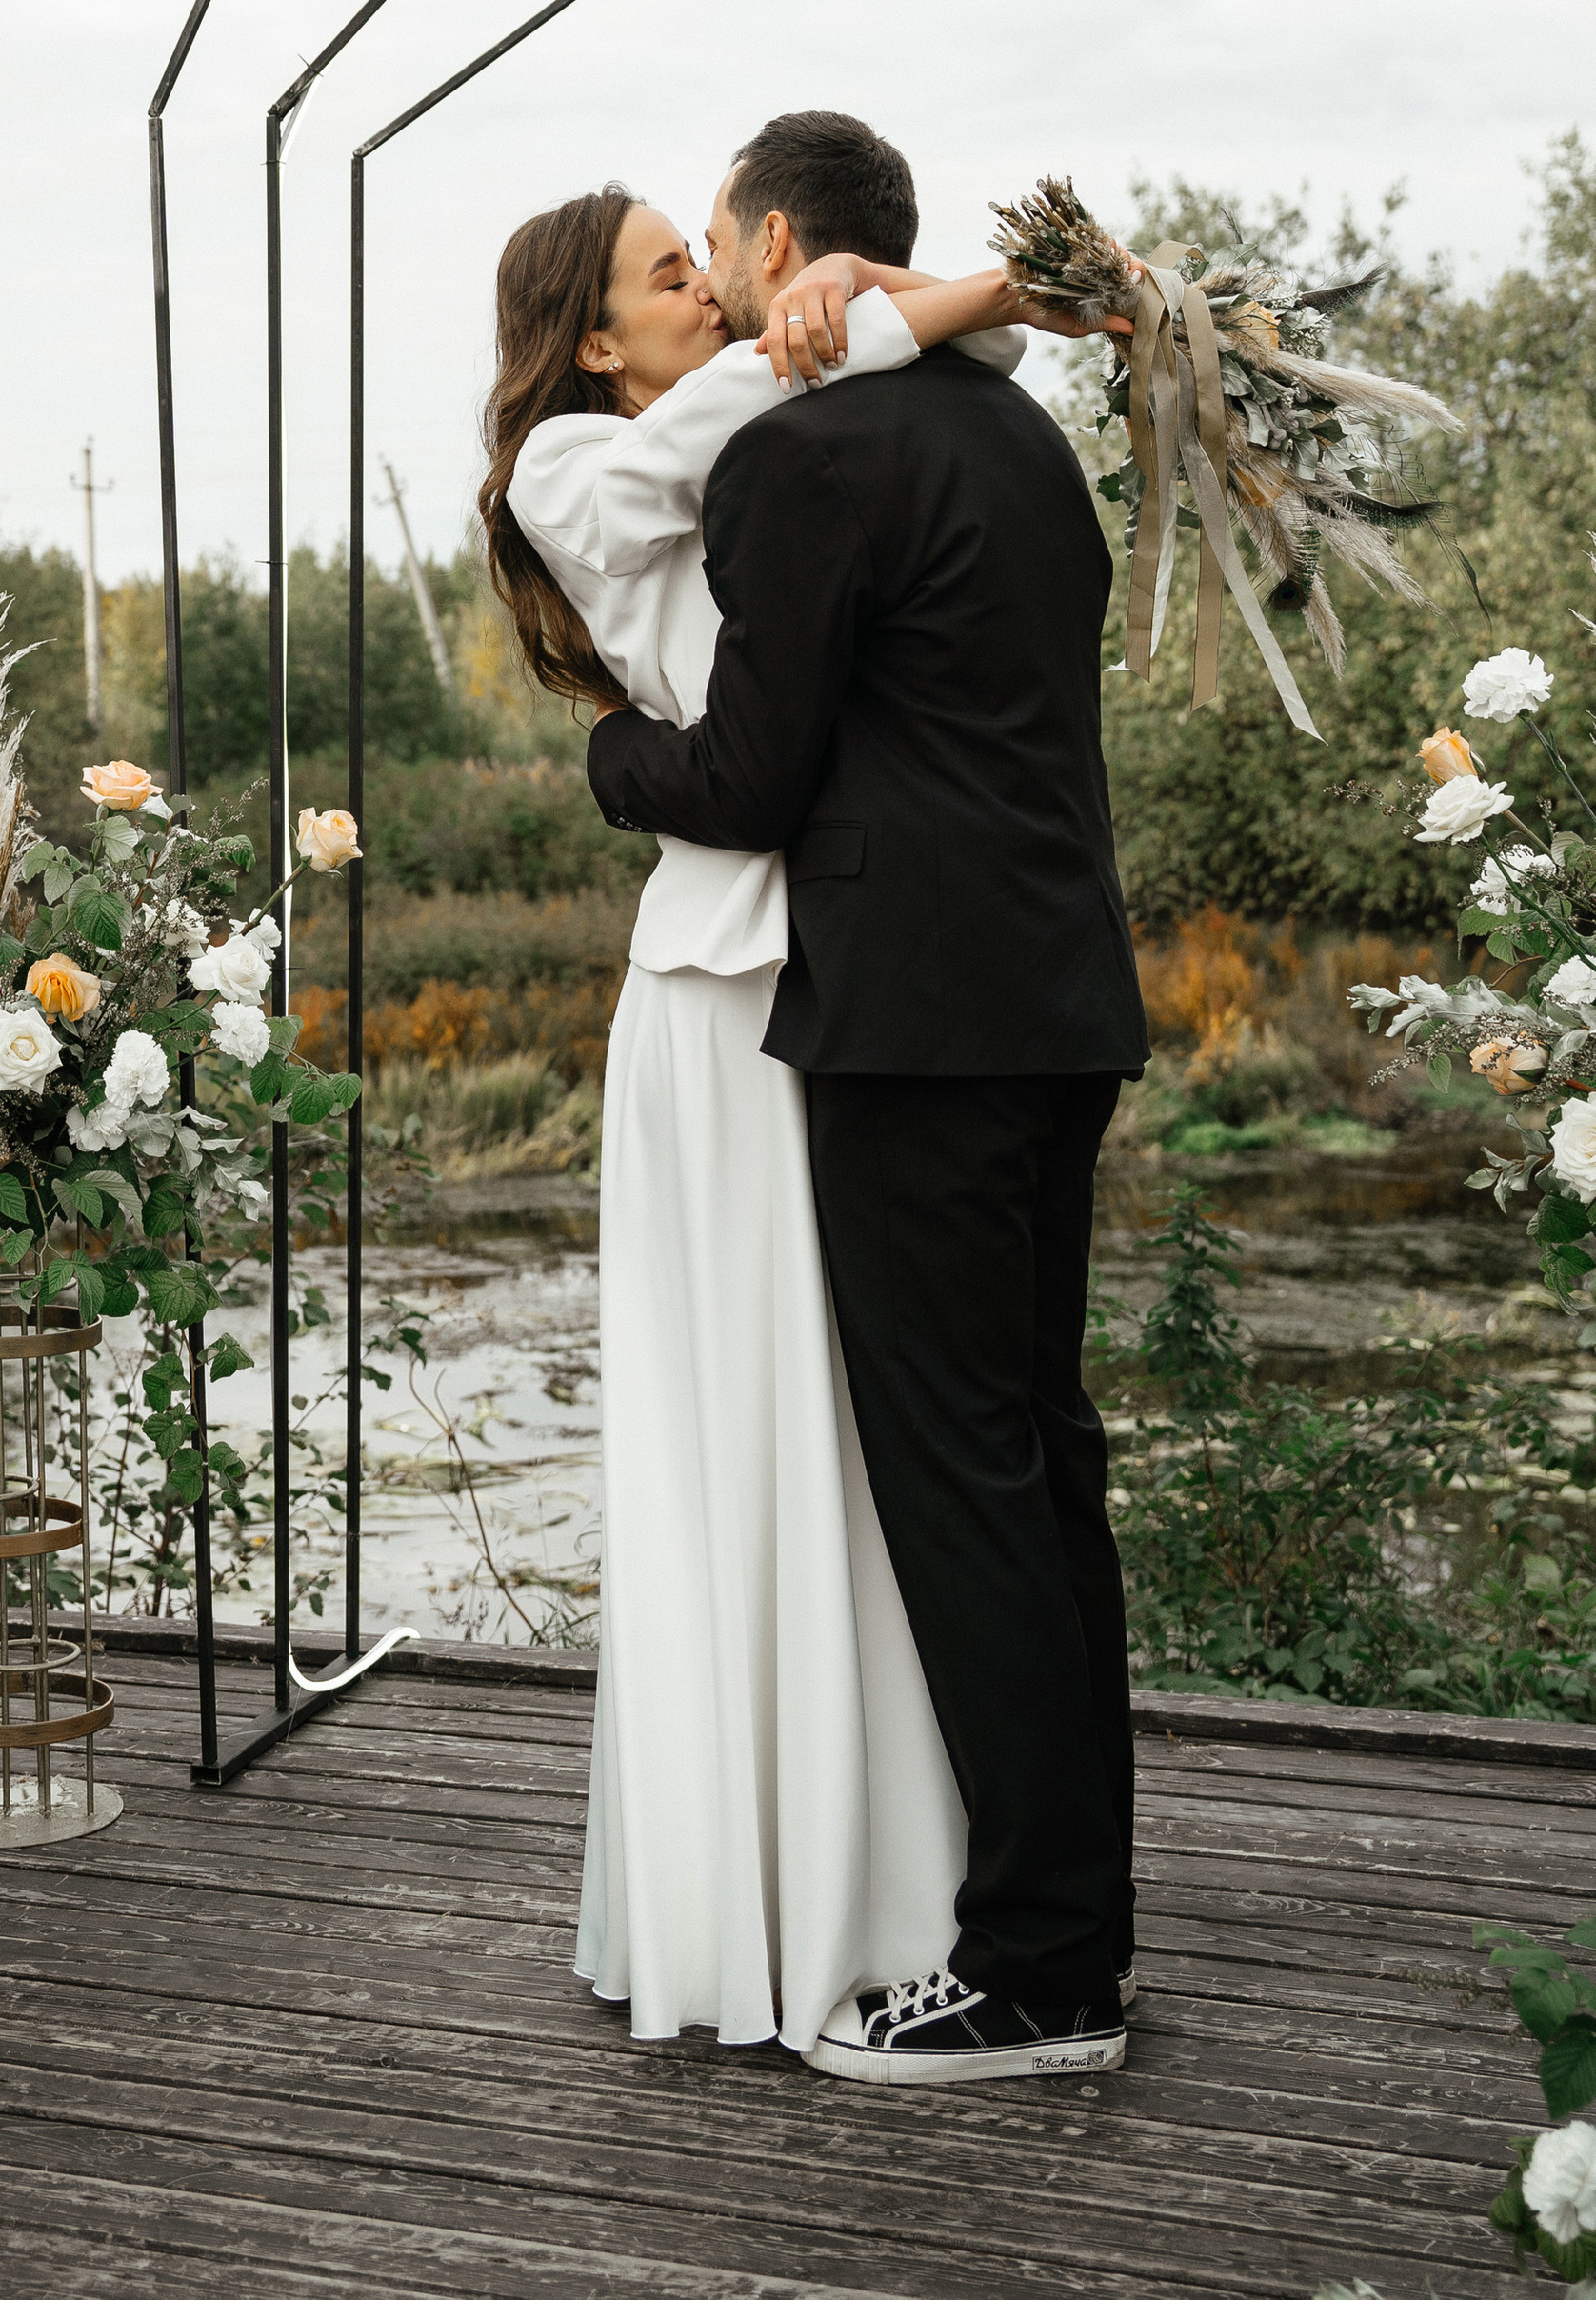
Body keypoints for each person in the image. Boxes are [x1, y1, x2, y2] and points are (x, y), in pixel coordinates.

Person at [588, 109, 1147, 2088]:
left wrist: (605, 763)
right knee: (1041, 1463)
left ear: (763, 245)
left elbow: (741, 775)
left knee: (962, 1486)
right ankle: (1078, 1922)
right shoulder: (1022, 442)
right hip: (1064, 996)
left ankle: (1035, 1977)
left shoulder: (797, 460)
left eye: (718, 256)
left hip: (910, 1028)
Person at [479, 155, 1024, 2051]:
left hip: (831, 972)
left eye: (701, 267)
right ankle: (741, 1904)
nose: (701, 295)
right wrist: (933, 290)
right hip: (713, 1003)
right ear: (585, 334)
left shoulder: (761, 443)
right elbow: (759, 397)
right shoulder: (573, 468)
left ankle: (881, 1883)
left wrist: (883, 309)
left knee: (848, 1433)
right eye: (659, 276)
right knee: (740, 1428)